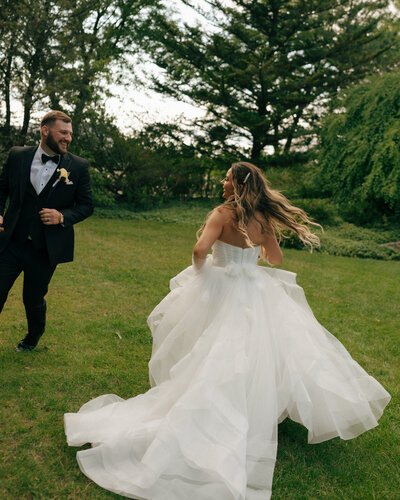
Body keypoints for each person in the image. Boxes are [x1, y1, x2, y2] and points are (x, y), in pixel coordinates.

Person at [64, 162, 390, 499]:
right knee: (256, 350)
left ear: (237, 184)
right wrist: (256, 251)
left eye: (226, 178)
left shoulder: (222, 214)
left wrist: (201, 273)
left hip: (221, 287)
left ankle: (214, 407)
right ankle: (250, 405)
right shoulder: (263, 218)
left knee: (212, 347)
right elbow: (276, 260)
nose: (223, 182)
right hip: (256, 290)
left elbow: (199, 250)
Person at [0, 110, 94, 352]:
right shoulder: (18, 155)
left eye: (70, 134)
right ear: (45, 130)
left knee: (32, 300)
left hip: (44, 248)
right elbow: (1, 189)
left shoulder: (78, 167)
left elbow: (87, 206)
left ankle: (32, 338)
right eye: (63, 132)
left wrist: (62, 216)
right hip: (11, 241)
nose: (68, 138)